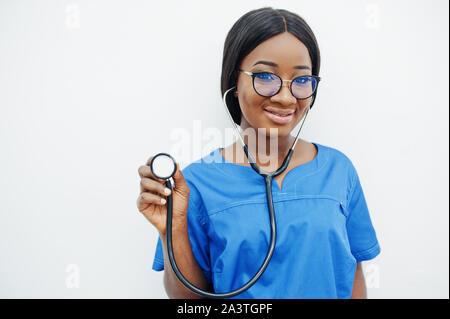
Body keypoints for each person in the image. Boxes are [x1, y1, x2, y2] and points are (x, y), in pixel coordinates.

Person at [137, 7, 380, 299]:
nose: (286, 97)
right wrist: (172, 229)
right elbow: (189, 301)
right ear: (234, 83)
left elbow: (353, 276)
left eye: (302, 80)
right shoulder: (195, 184)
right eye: (265, 76)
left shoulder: (339, 171)